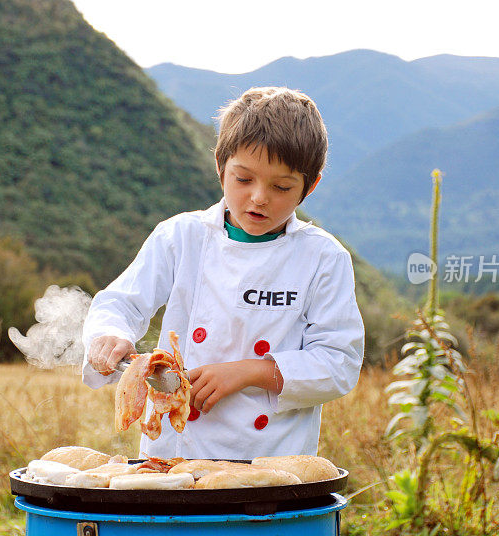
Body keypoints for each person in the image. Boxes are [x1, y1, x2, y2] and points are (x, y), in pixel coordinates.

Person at [82, 86, 364, 459]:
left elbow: (338, 362)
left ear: (309, 187)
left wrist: (249, 372)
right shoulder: (181, 236)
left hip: (272, 462)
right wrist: (111, 334)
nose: (259, 197)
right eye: (243, 179)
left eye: (281, 186)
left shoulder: (323, 258)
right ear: (220, 165)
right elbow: (120, 302)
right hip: (175, 454)